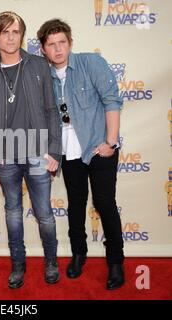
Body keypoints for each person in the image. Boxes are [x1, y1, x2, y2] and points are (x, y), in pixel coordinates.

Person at [37, 18, 125, 290]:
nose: (58, 49)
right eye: (51, 44)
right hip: (68, 152)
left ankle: (115, 261)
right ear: (43, 49)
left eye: (62, 42)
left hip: (98, 148)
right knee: (75, 204)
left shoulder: (91, 63)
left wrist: (110, 142)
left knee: (105, 203)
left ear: (70, 43)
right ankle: (79, 254)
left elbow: (112, 100)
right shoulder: (44, 76)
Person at [0, 11, 62, 289]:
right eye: (5, 32)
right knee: (13, 213)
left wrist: (54, 150)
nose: (11, 37)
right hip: (5, 156)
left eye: (15, 31)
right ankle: (18, 264)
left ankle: (51, 261)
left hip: (39, 152)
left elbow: (52, 111)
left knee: (44, 213)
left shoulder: (39, 65)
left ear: (22, 35)